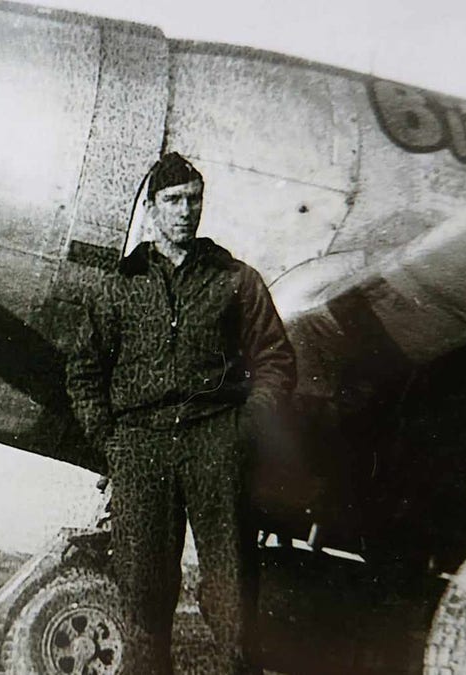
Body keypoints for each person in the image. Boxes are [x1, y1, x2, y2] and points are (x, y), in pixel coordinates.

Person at [65, 152, 296, 674]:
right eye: (173, 201)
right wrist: (112, 443)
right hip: (141, 446)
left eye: (194, 200)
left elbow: (276, 360)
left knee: (231, 592)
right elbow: (83, 371)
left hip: (215, 440)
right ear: (150, 209)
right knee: (143, 593)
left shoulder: (235, 279)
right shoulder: (118, 286)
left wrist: (245, 431)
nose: (185, 212)